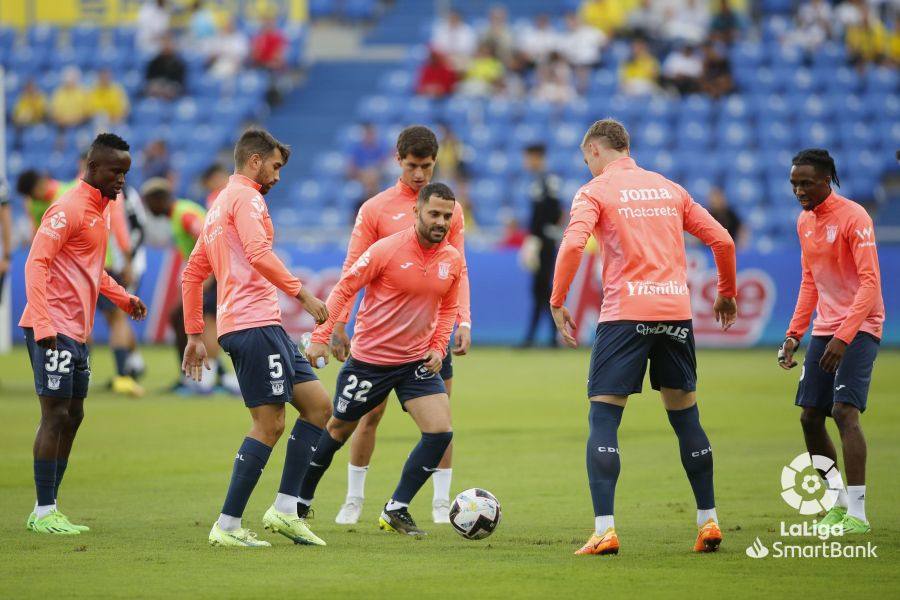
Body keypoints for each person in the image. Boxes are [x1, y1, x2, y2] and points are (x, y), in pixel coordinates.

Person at [550, 119, 737, 556]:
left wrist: (558, 299)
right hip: (675, 312)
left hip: (624, 316)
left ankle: (604, 530)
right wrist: (726, 293)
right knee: (687, 420)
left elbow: (574, 244)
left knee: (604, 419)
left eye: (586, 160)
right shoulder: (669, 189)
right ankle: (708, 521)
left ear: (595, 151)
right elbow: (723, 240)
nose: (587, 167)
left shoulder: (594, 191)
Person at [180, 128, 332, 547]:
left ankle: (285, 510)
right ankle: (227, 525)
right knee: (269, 424)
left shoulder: (217, 207)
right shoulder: (247, 198)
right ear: (254, 161)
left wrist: (195, 333)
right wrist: (302, 293)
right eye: (276, 166)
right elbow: (258, 253)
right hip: (252, 325)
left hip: (261, 324)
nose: (279, 176)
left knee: (318, 407)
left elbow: (192, 274)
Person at [327, 126, 471, 525]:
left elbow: (458, 269)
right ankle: (354, 498)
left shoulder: (448, 208)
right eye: (413, 166)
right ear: (398, 160)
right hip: (381, 337)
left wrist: (464, 320)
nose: (420, 175)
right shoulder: (375, 209)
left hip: (430, 336)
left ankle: (442, 504)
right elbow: (351, 270)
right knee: (368, 417)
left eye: (427, 166)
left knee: (441, 417)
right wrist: (339, 324)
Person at [301, 182, 463, 536]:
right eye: (434, 213)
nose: (441, 221)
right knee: (338, 430)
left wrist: (438, 346)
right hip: (369, 362)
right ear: (416, 211)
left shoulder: (451, 258)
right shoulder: (385, 250)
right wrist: (320, 337)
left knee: (439, 432)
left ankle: (396, 508)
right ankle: (299, 500)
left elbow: (449, 306)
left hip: (416, 363)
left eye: (447, 216)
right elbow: (344, 288)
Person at [20, 133, 148, 535]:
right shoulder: (68, 209)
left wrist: (124, 298)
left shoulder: (103, 210)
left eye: (126, 173)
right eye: (116, 171)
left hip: (78, 329)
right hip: (52, 327)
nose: (121, 180)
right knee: (55, 414)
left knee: (74, 415)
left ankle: (49, 506)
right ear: (92, 168)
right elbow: (36, 264)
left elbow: (92, 269)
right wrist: (42, 322)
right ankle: (43, 511)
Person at [777, 149, 884, 535]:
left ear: (827, 180)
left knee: (843, 413)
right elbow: (810, 281)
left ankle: (858, 513)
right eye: (794, 184)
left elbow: (870, 283)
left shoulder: (854, 217)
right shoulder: (804, 222)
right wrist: (793, 334)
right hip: (826, 329)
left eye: (806, 183)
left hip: (861, 325)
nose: (799, 190)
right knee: (809, 417)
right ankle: (837, 503)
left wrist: (844, 335)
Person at [142, 177, 234, 394]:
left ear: (159, 200)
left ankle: (208, 376)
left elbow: (208, 236)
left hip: (213, 274)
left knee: (203, 322)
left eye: (149, 203)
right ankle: (208, 373)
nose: (147, 208)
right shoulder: (179, 213)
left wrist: (208, 277)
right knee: (183, 318)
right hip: (213, 272)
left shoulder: (184, 214)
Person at [520, 144, 562, 348]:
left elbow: (555, 212)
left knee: (544, 289)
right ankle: (543, 337)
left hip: (545, 242)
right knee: (540, 290)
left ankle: (545, 337)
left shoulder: (548, 182)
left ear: (538, 157)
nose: (526, 162)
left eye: (529, 158)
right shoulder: (538, 182)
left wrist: (540, 237)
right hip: (538, 241)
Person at [16, 170, 63, 237]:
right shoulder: (32, 204)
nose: (32, 198)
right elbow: (37, 231)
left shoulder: (62, 193)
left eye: (32, 195)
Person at [145, 34, 186, 100]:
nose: (166, 46)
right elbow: (149, 79)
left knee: (170, 90)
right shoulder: (154, 62)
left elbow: (181, 82)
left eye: (169, 43)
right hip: (158, 87)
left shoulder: (179, 63)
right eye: (164, 43)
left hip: (172, 88)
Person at [50, 67, 90, 131]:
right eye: (68, 80)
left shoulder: (83, 92)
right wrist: (64, 121)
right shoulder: (58, 93)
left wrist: (76, 120)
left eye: (72, 79)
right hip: (62, 127)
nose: (70, 82)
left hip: (80, 126)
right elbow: (54, 114)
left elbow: (87, 113)